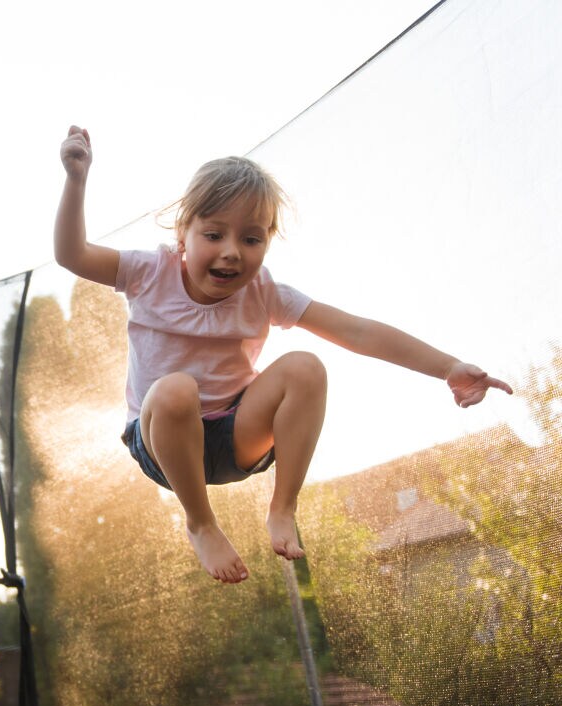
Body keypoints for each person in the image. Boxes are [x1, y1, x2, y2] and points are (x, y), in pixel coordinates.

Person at [54, 125, 512, 584]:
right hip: (163, 440)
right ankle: (201, 522)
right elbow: (72, 254)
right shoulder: (147, 272)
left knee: (305, 367)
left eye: (251, 240)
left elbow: (356, 331)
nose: (232, 252)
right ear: (183, 234)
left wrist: (447, 367)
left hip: (236, 436)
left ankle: (283, 506)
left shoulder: (263, 292)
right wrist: (76, 179)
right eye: (214, 234)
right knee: (177, 390)